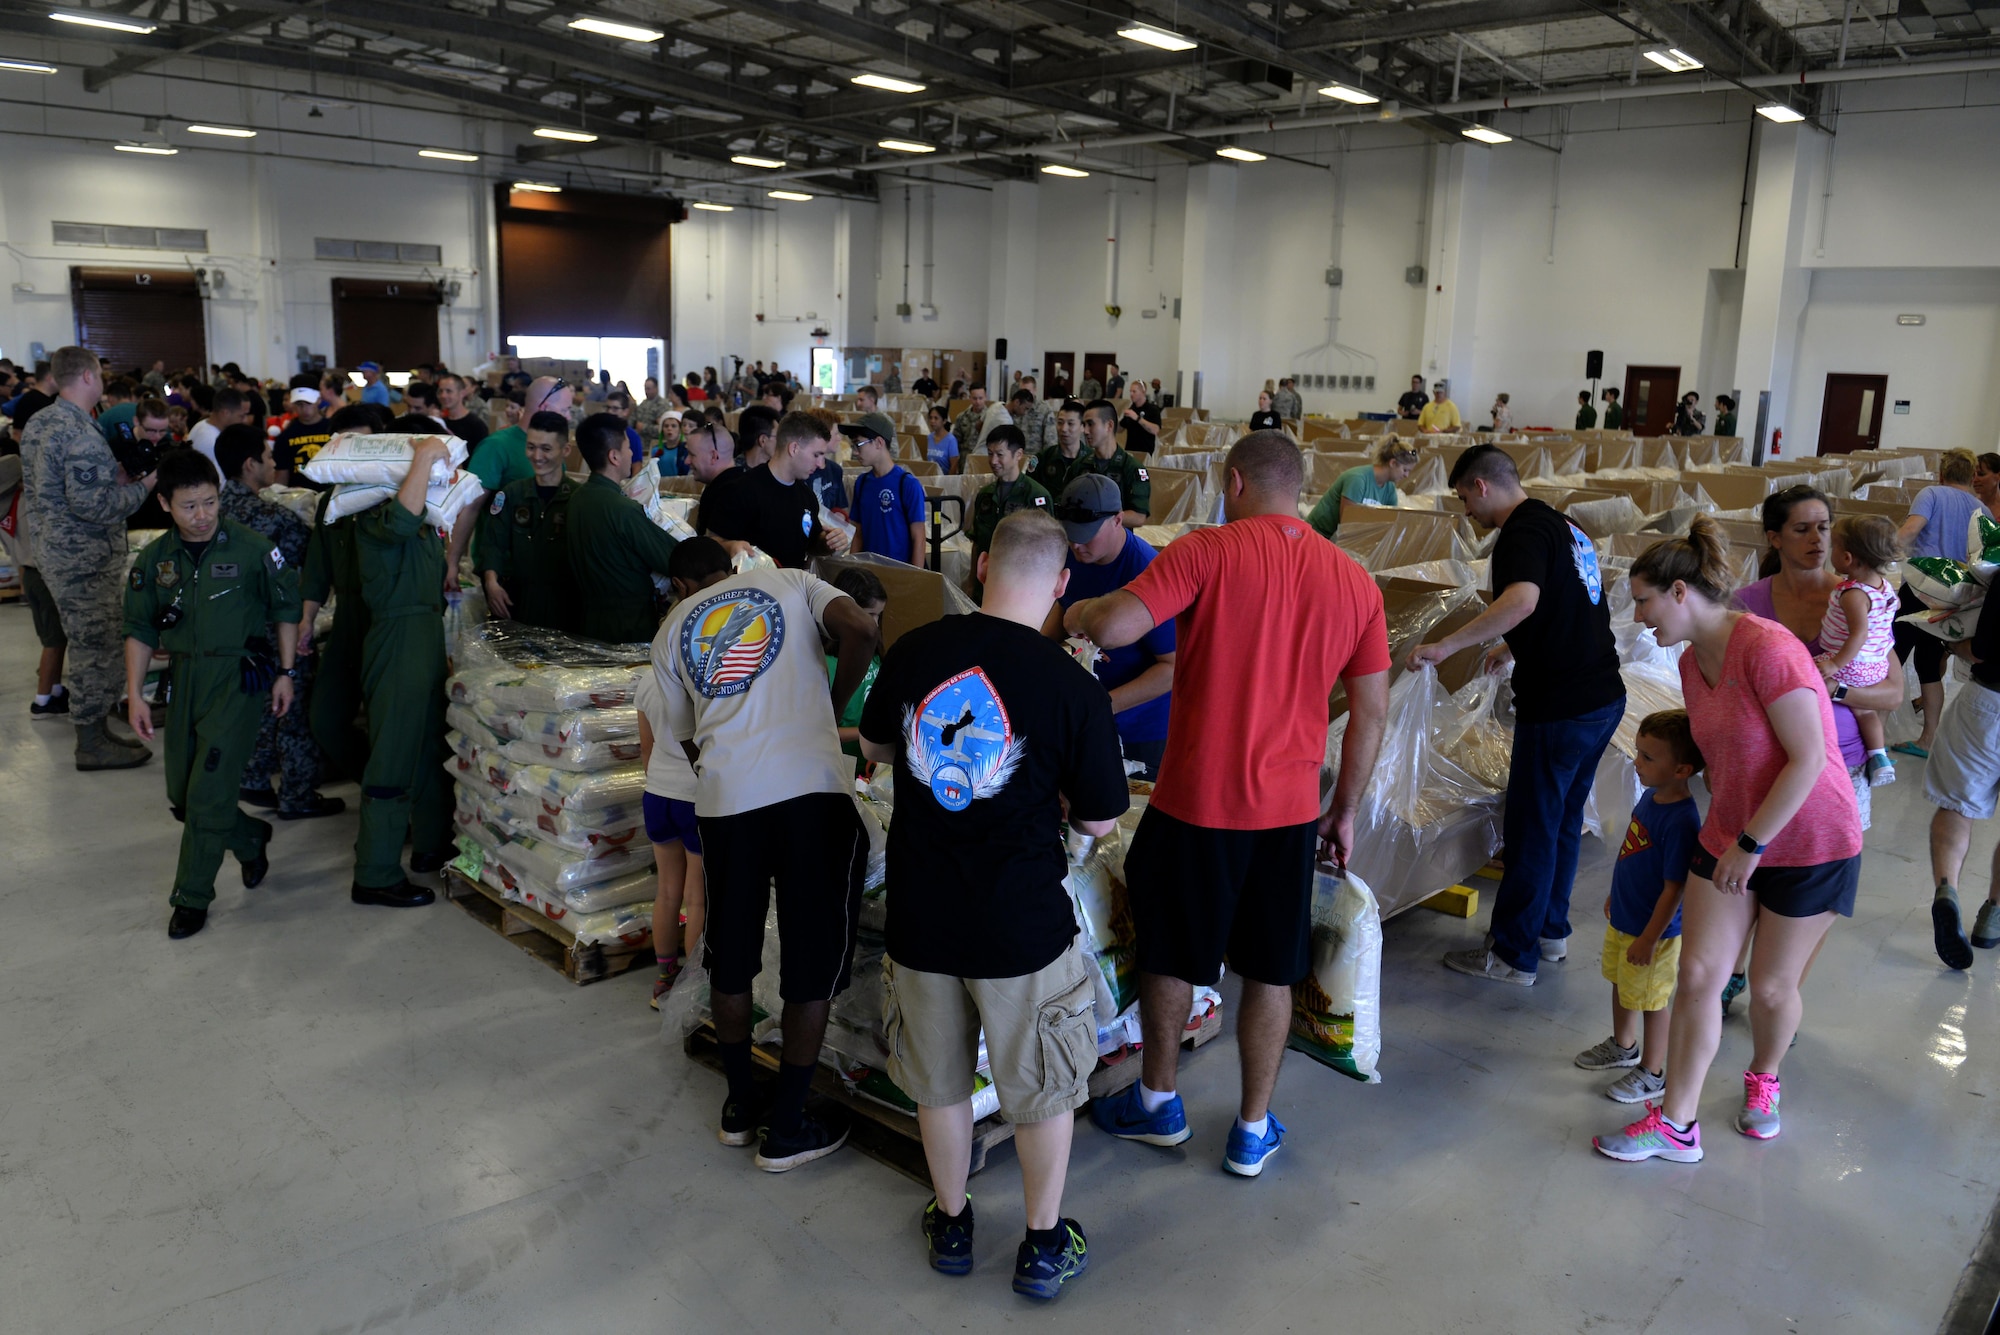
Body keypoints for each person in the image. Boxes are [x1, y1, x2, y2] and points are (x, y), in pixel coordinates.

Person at [1068, 432, 1390, 1177]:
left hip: (1192, 804)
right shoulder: (1353, 581)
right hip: (1287, 815)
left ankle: (1158, 1102)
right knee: (1271, 972)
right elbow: (1370, 713)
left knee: (1171, 954)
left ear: (1234, 480)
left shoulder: (1205, 550)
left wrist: (1078, 610)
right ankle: (1251, 1128)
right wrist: (1341, 810)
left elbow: (1119, 627)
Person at [857, 510, 1126, 1298]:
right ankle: (1043, 1243)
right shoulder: (1072, 685)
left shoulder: (915, 651)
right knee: (1040, 1087)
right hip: (1021, 926)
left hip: (921, 916)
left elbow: (874, 746)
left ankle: (950, 1220)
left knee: (938, 1081)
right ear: (1062, 585)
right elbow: (1102, 817)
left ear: (979, 567)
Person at [1593, 518, 1863, 1163]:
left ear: (1681, 592)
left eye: (1644, 599)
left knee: (1770, 987)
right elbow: (1718, 759)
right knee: (1697, 974)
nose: (1638, 615)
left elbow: (1807, 760)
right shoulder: (1689, 665)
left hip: (1811, 838)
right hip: (1732, 831)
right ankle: (1677, 1123)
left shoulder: (1767, 649)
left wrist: (1752, 844)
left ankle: (1764, 1077)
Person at [653, 535, 879, 1172]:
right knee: (810, 955)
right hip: (810, 794)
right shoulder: (794, 584)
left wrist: (732, 766)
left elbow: (689, 739)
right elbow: (861, 628)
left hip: (727, 805)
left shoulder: (672, 628)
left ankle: (739, 1103)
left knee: (730, 949)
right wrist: (826, 711)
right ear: (734, 567)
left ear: (681, 587)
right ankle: (789, 1124)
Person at [1410, 444, 1626, 985]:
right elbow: (1569, 603)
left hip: (1561, 708)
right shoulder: (1563, 525)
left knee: (1531, 828)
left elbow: (1524, 600)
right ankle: (1548, 933)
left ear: (1482, 486)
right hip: (1602, 697)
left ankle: (1511, 955)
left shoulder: (1521, 533)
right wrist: (1514, 646)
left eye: (1463, 497)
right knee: (1561, 823)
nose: (1465, 511)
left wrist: (1446, 645)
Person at [123, 447, 300, 939]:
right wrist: (136, 694)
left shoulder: (253, 548)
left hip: (237, 680)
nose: (201, 516)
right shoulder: (155, 560)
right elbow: (138, 628)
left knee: (207, 796)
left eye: (209, 503)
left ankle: (191, 898)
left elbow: (286, 608)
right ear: (164, 504)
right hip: (184, 680)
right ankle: (249, 837)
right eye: (189, 506)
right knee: (183, 797)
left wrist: (286, 671)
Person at [20, 346, 157, 769]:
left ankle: (95, 729)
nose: (101, 382)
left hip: (54, 551)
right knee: (95, 647)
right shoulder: (81, 433)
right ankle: (91, 740)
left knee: (86, 643)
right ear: (86, 377)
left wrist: (110, 477)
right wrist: (146, 486)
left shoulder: (40, 423)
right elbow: (94, 507)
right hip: (84, 557)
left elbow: (56, 485)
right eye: (98, 374)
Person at [346, 434, 455, 910]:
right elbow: (401, 523)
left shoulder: (422, 513)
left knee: (429, 743)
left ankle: (431, 842)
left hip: (426, 636)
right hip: (397, 641)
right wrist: (427, 452)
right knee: (392, 752)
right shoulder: (374, 514)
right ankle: (375, 872)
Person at [1574, 710, 1703, 1106]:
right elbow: (1632, 852)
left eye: (1648, 757)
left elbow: (1675, 887)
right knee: (1622, 983)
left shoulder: (1682, 820)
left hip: (1654, 933)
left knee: (1651, 1000)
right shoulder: (1649, 797)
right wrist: (1616, 893)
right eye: (1638, 752)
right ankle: (1623, 1044)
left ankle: (1653, 1070)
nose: (1637, 763)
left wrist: (1650, 937)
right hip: (1627, 917)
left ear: (1681, 769)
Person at [213, 425, 341, 822]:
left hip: (232, 631)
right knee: (294, 706)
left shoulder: (211, 509)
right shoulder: (272, 517)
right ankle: (298, 794)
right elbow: (316, 557)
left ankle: (252, 776)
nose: (273, 463)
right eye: (268, 458)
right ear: (250, 465)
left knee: (263, 702)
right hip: (276, 627)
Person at [1052, 475, 1175, 779]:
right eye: (1071, 534)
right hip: (1084, 716)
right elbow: (1055, 617)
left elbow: (1173, 667)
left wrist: (1105, 706)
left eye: (1087, 534)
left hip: (1139, 731)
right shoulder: (1072, 553)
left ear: (1119, 520)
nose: (1077, 544)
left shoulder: (1148, 571)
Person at [1923, 562, 2000, 969]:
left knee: (1957, 804)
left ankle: (1947, 891)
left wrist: (1950, 641)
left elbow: (1982, 648)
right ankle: (1993, 916)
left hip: (1988, 703)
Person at [1893, 449, 1983, 756]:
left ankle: (1871, 734)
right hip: (1954, 598)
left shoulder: (1931, 493)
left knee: (1892, 656)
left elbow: (1909, 532)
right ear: (1972, 476)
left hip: (1919, 589)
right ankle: (1928, 738)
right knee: (1929, 664)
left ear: (1941, 474)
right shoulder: (1981, 508)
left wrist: (1881, 555)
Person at [447, 375, 574, 586]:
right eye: (565, 410)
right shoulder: (497, 447)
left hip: (544, 569)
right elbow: (470, 508)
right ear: (545, 408)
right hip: (502, 572)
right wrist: (452, 563)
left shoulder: (554, 447)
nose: (568, 417)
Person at [566, 413, 681, 643]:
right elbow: (673, 558)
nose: (632, 454)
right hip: (629, 627)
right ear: (614, 456)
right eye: (629, 448)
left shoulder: (577, 499)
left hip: (587, 622)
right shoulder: (623, 509)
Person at [1814, 514, 1904, 786]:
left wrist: (1835, 664)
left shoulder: (1853, 594)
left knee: (1807, 668)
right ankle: (1879, 757)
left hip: (1852, 664)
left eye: (1835, 547)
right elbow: (1895, 605)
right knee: (1864, 711)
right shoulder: (1883, 586)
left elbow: (1859, 634)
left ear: (1848, 558)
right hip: (1876, 664)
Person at [635, 662, 706, 1007]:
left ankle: (664, 978)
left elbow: (646, 748)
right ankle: (693, 988)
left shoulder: (648, 680)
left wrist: (660, 782)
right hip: (693, 796)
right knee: (696, 899)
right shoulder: (704, 681)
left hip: (657, 795)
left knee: (666, 892)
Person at [698, 411, 850, 569]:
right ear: (794, 448)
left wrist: (829, 541)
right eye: (816, 455)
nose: (820, 464)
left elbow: (811, 544)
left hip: (791, 587)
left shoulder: (806, 496)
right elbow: (710, 543)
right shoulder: (740, 490)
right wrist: (731, 547)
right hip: (750, 589)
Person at [475, 411, 582, 632]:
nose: (536, 456)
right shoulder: (512, 494)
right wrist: (491, 583)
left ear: (565, 450)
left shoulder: (577, 498)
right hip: (516, 602)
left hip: (565, 606)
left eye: (546, 448)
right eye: (531, 447)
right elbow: (493, 543)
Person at [845, 412, 927, 566]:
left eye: (858, 444)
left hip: (899, 573)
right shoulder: (862, 483)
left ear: (879, 442)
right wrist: (852, 569)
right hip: (869, 573)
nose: (855, 452)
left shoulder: (907, 484)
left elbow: (919, 539)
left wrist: (915, 580)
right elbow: (858, 534)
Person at [969, 425, 1053, 570]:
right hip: (986, 580)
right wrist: (971, 583)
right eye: (990, 453)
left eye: (1000, 455)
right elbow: (977, 543)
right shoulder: (985, 494)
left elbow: (1047, 548)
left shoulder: (1035, 496)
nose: (993, 461)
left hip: (1020, 581)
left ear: (1018, 454)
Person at [1306, 439, 1417, 539]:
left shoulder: (1390, 489)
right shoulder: (1357, 479)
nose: (1406, 476)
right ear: (1393, 463)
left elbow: (1389, 524)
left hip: (1341, 539)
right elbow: (1346, 524)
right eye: (1405, 470)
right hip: (1318, 536)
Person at [1074, 400, 1149, 529]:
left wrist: (1100, 517)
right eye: (1084, 424)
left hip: (1117, 542)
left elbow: (1138, 516)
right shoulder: (1080, 465)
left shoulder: (1132, 468)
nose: (1085, 431)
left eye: (1090, 424)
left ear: (1109, 425)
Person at [273, 387, 335, 485]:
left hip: (330, 491)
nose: (304, 409)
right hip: (299, 494)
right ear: (293, 405)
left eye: (309, 403)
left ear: (318, 401)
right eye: (299, 404)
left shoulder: (334, 429)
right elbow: (282, 475)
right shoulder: (285, 437)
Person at [188, 388, 249, 470]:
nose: (246, 420)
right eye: (242, 416)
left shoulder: (202, 424)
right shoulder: (212, 442)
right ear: (226, 413)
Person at [1033, 400, 1087, 490]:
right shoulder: (1043, 458)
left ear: (1082, 427)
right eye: (1060, 422)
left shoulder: (1091, 460)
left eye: (1070, 424)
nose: (1064, 429)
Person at [438, 374, 489, 448]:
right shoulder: (441, 423)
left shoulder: (476, 425)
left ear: (462, 393)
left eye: (449, 391)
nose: (443, 395)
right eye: (440, 391)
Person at [1119, 380, 1161, 456]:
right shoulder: (1131, 409)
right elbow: (1120, 429)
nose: (1131, 394)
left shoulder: (1152, 409)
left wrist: (1137, 418)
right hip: (1130, 453)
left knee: (1141, 469)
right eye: (1130, 391)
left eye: (1134, 391)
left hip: (1145, 454)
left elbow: (1155, 430)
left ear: (1143, 392)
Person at [924, 404, 960, 474]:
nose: (932, 421)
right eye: (930, 418)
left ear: (944, 421)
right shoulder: (929, 437)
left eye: (936, 418)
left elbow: (954, 466)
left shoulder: (951, 440)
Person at [1975, 453, 2000, 521]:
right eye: (1973, 475)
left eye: (1981, 474)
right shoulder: (1971, 505)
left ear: (1998, 476)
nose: (1975, 479)